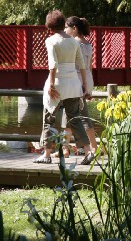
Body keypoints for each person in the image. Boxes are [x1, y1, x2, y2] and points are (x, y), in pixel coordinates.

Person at [33, 10, 92, 165]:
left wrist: (51, 85)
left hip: (58, 83)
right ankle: (88, 151)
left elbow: (53, 65)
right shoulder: (74, 41)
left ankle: (46, 154)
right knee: (75, 119)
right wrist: (84, 85)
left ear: (50, 26)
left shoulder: (51, 41)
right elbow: (82, 65)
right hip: (73, 84)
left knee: (49, 119)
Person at [52, 16, 98, 163]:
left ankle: (92, 148)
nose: (65, 30)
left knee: (80, 116)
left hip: (75, 82)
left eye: (67, 27)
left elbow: (76, 65)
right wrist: (89, 86)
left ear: (74, 28)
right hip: (86, 80)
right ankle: (65, 148)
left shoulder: (74, 43)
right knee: (72, 115)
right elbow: (90, 67)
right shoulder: (88, 44)